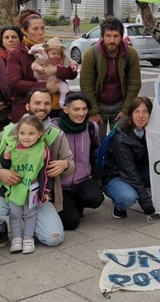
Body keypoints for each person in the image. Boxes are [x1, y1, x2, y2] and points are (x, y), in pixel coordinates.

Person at [0, 89, 74, 249]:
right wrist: (0, 172)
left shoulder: (56, 135)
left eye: (46, 103)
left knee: (54, 238)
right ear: (27, 106)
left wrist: (64, 165)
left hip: (37, 194)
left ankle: (32, 226)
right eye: (37, 103)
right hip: (8, 192)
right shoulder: (7, 133)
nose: (42, 107)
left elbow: (71, 163)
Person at [6, 9, 77, 122]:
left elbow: (71, 73)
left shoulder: (52, 48)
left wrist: (55, 70)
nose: (41, 32)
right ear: (24, 31)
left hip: (55, 109)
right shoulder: (17, 53)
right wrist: (45, 86)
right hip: (27, 112)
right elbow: (14, 83)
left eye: (42, 28)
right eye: (35, 29)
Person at [80, 17, 141, 142]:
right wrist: (93, 111)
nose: (112, 40)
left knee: (120, 143)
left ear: (121, 37)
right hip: (98, 105)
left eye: (116, 36)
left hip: (120, 105)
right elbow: (86, 85)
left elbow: (134, 84)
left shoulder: (131, 54)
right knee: (97, 143)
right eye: (108, 36)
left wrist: (125, 110)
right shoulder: (91, 54)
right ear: (102, 36)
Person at [0, 115, 51, 254]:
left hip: (32, 187)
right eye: (22, 133)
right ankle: (16, 239)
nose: (26, 137)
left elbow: (44, 172)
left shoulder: (42, 150)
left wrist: (45, 190)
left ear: (39, 134)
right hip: (15, 187)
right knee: (14, 213)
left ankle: (28, 238)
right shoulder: (12, 146)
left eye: (31, 133)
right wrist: (6, 157)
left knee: (30, 213)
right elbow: (4, 166)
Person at [51, 92, 103, 231]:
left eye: (84, 109)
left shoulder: (92, 127)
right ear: (66, 109)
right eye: (76, 109)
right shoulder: (53, 128)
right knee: (70, 223)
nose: (81, 113)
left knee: (96, 198)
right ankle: (65, 206)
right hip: (60, 185)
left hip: (82, 180)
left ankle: (78, 203)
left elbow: (95, 151)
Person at [103, 97, 159, 219]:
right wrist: (146, 203)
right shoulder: (121, 137)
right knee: (127, 198)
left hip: (138, 171)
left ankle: (142, 190)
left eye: (145, 111)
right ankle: (118, 206)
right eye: (136, 111)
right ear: (130, 114)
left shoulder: (152, 131)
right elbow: (129, 171)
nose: (140, 116)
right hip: (117, 175)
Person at [30, 38, 78, 109]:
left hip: (57, 80)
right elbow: (34, 65)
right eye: (53, 54)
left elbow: (70, 62)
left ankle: (62, 102)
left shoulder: (62, 59)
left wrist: (73, 64)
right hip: (43, 80)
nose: (56, 56)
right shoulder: (43, 58)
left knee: (65, 89)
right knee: (43, 94)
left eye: (58, 54)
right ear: (47, 52)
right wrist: (37, 68)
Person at [0, 26, 23, 131]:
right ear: (2, 41)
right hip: (3, 112)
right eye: (7, 37)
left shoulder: (27, 58)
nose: (10, 40)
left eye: (14, 37)